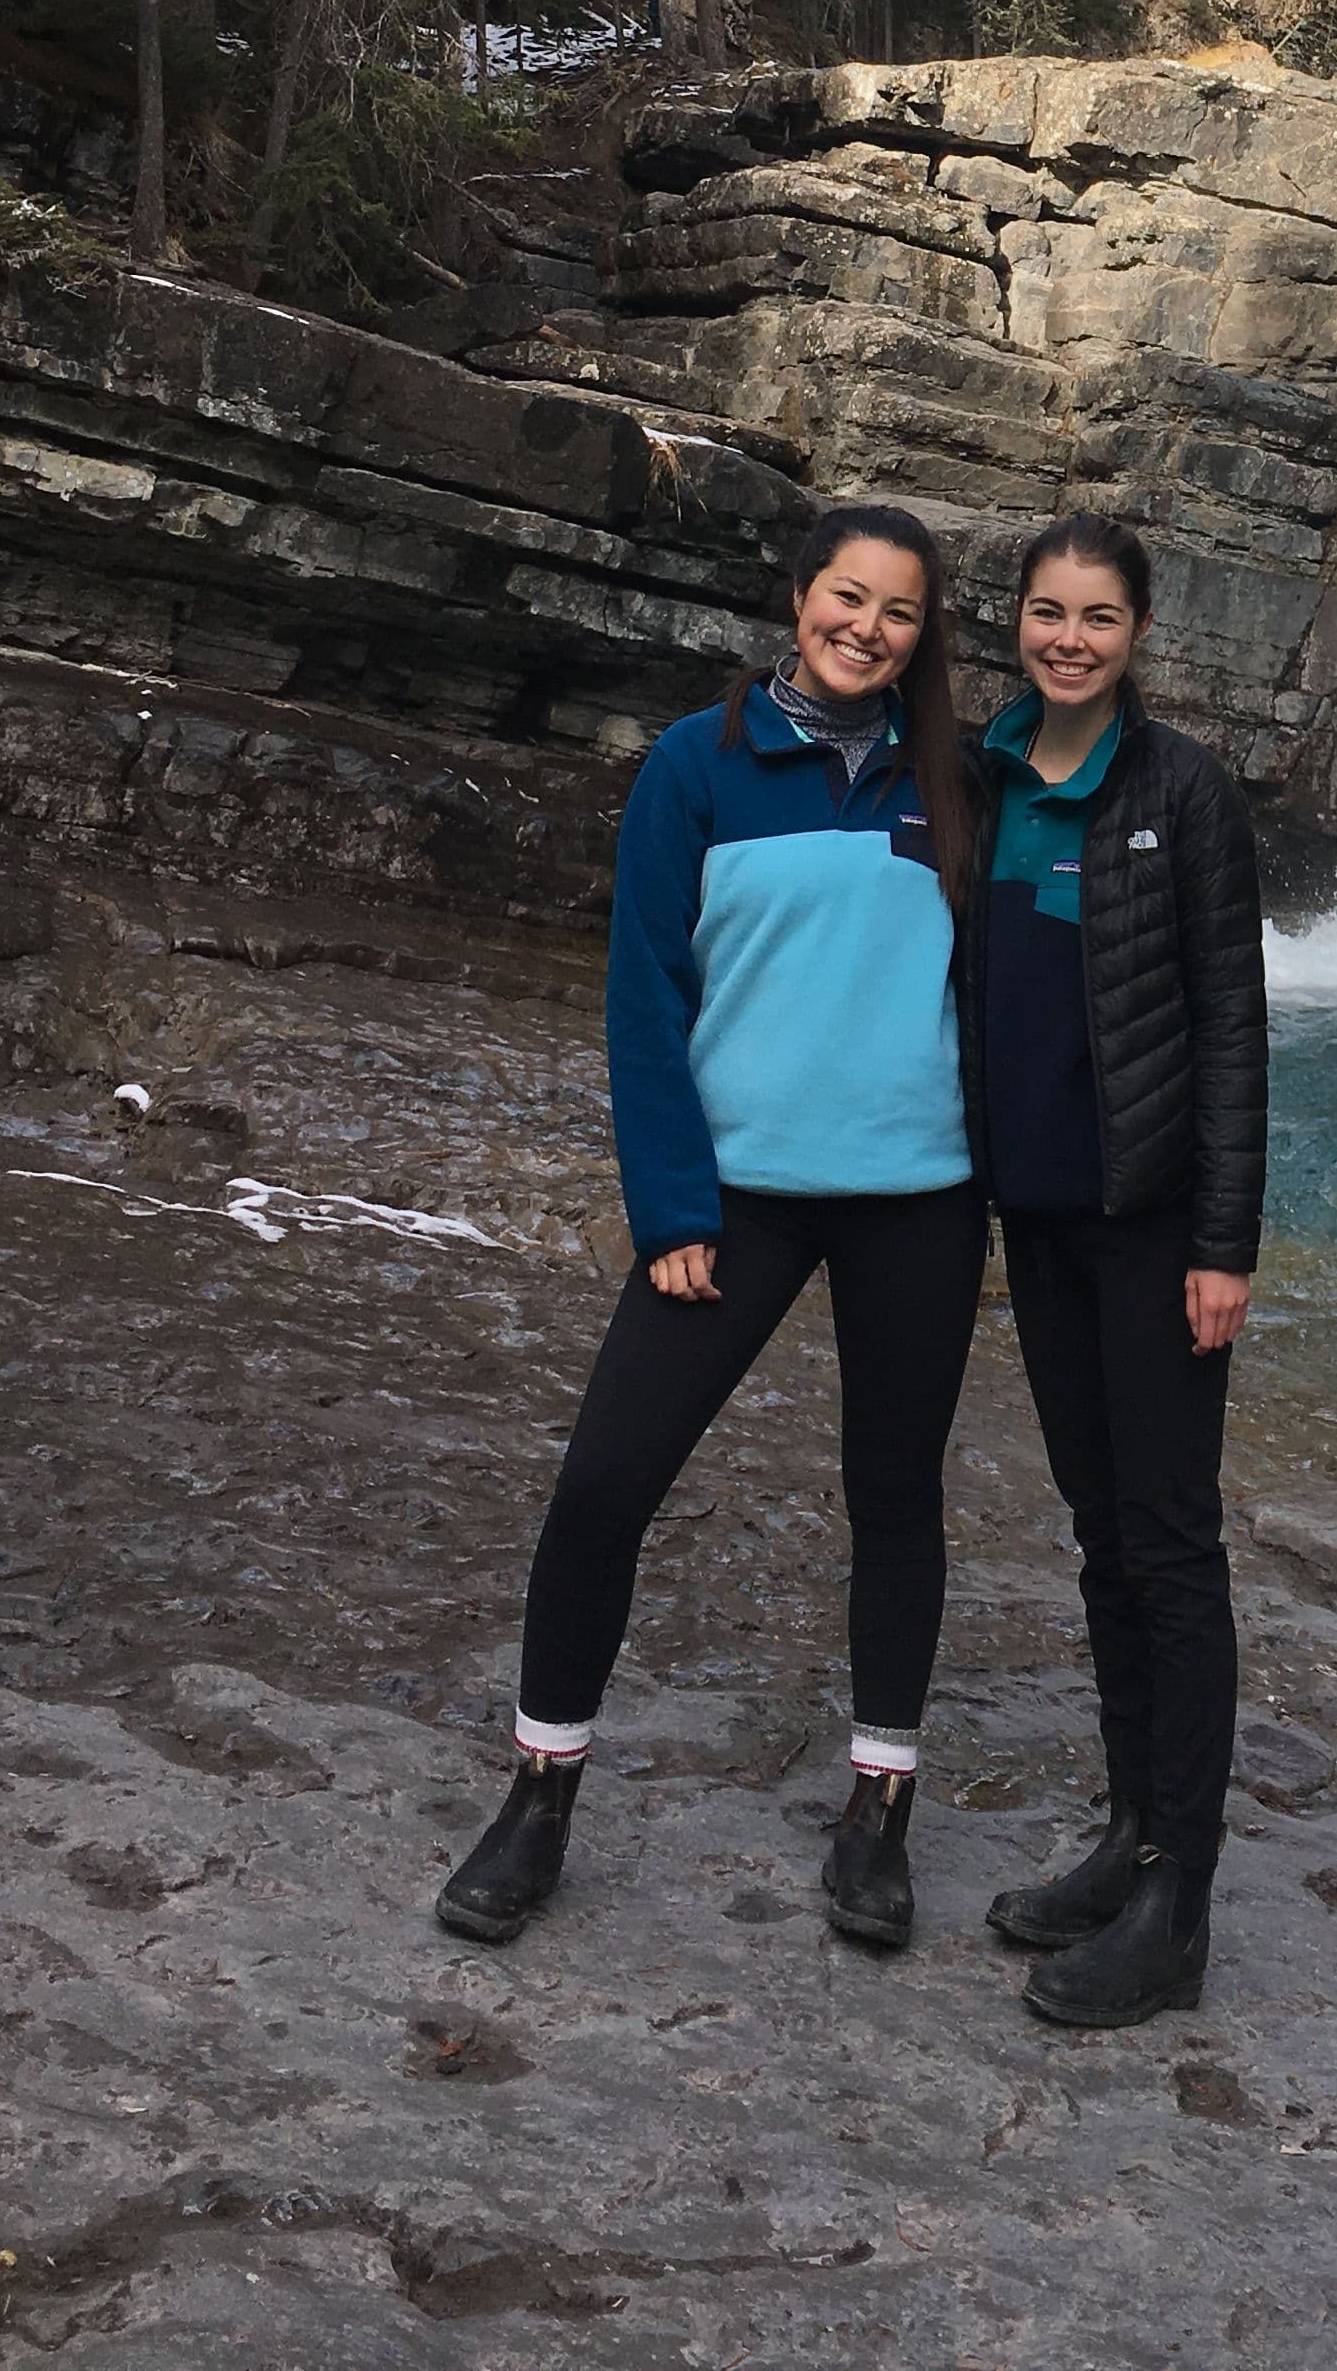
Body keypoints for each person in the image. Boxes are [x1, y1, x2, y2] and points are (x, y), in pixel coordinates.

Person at [437, 501, 984, 1955]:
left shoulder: (960, 783)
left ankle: (879, 1813)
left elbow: (1009, 997)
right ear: (797, 595)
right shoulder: (700, 764)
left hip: (922, 1200)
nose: (867, 628)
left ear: (927, 636)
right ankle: (541, 1793)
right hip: (735, 1196)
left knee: (897, 1502)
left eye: (900, 612)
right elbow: (644, 993)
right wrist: (671, 1200)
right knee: (607, 1482)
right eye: (845, 597)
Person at [960, 515, 1269, 2028]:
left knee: (1169, 1543)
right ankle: (1128, 1838)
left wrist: (1225, 1245)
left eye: (1097, 616)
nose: (1068, 638)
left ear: (1140, 633)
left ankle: (1179, 1904)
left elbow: (1231, 1027)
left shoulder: (1185, 791)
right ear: (1014, 623)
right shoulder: (985, 776)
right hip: (1039, 1218)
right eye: (1046, 612)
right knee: (1099, 1535)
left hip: (1152, 1228)